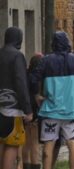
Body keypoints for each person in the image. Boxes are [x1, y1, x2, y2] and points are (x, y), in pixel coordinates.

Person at [30, 31, 74, 169]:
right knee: (72, 143)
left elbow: (33, 78)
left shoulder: (46, 60)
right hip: (72, 110)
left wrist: (36, 95)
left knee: (48, 145)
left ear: (53, 44)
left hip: (51, 110)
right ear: (68, 44)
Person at [0, 27, 33, 169]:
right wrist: (28, 109)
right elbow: (21, 82)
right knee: (12, 144)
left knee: (1, 142)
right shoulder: (17, 56)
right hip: (12, 109)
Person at [22, 53, 44, 169]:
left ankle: (25, 165)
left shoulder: (24, 74)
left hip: (24, 110)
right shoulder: (38, 78)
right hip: (34, 111)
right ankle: (35, 166)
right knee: (34, 143)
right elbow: (38, 96)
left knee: (25, 142)